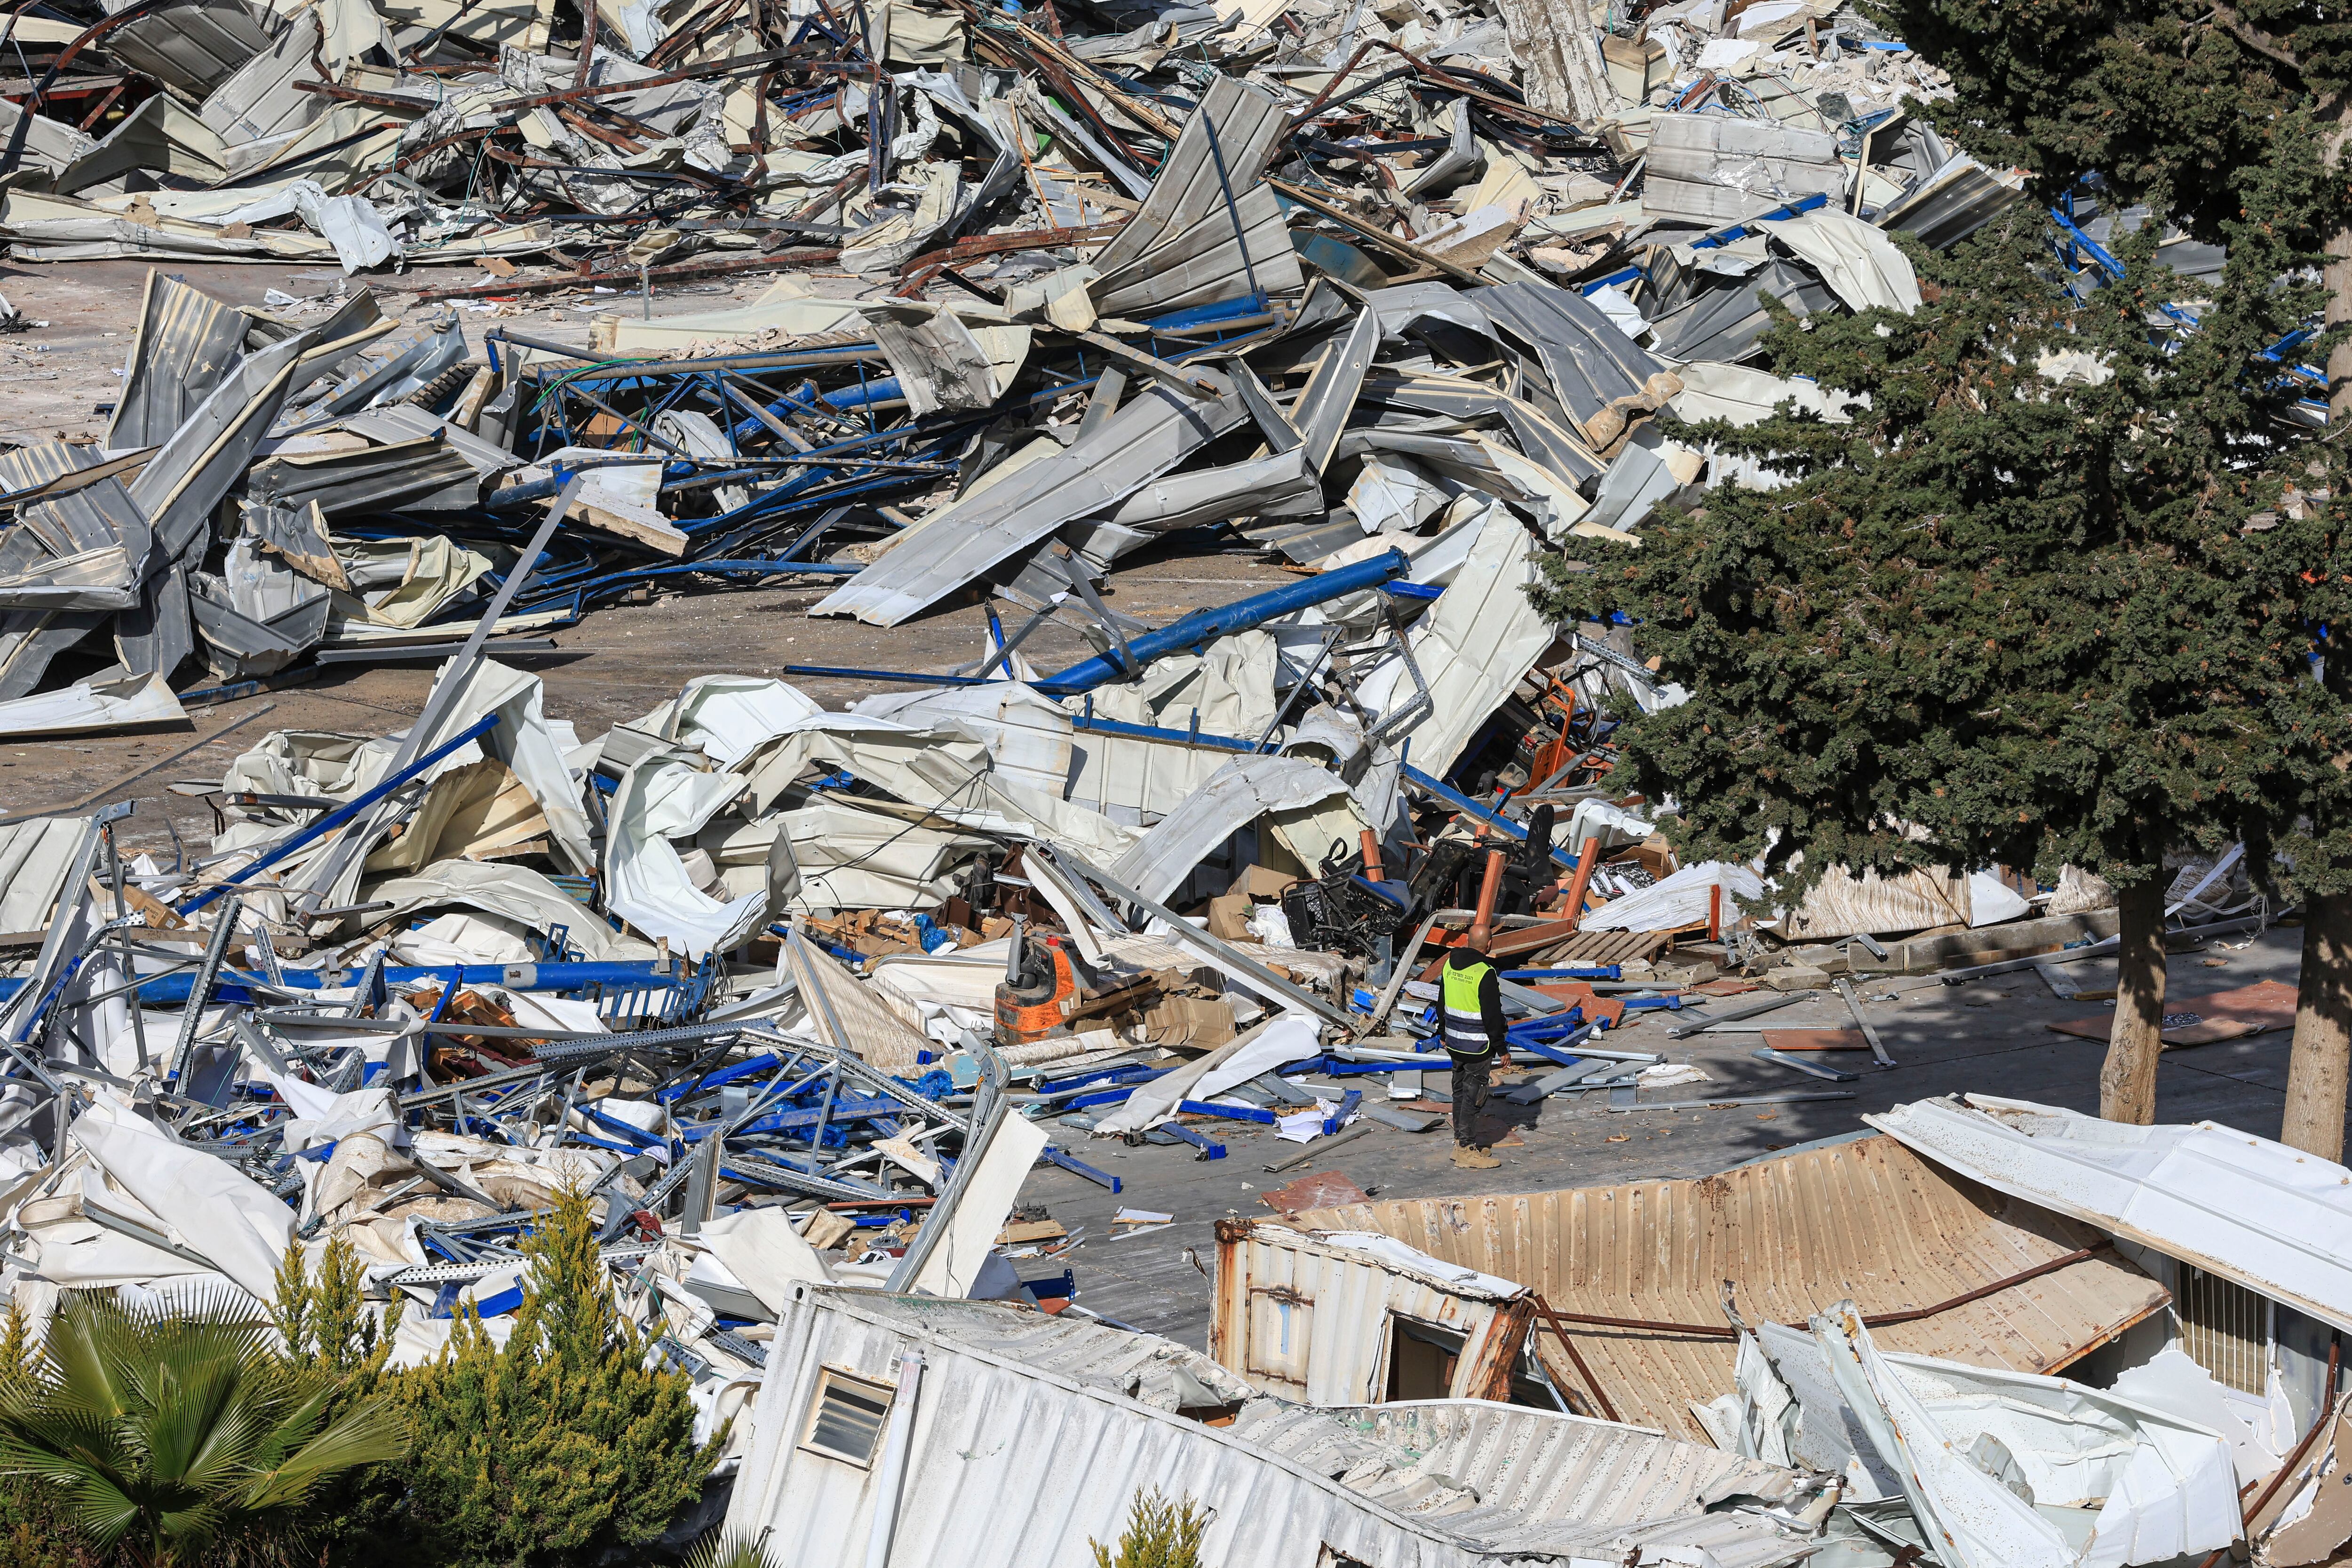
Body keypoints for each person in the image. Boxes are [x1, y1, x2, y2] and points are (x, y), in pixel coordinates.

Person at [1440, 938, 1507, 1169]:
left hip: (1455, 1040)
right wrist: (1501, 1047)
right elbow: (1492, 1014)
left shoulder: (1449, 964)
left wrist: (1442, 1032)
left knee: (1459, 1091)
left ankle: (1459, 1143)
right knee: (1474, 1096)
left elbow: (1442, 1001)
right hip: (1478, 1045)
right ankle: (1466, 1149)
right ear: (1489, 944)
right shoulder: (1485, 972)